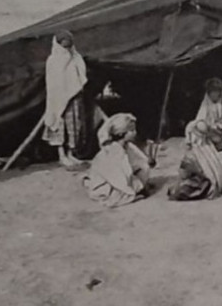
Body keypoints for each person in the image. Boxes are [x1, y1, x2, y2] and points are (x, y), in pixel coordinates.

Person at [84, 113, 153, 207]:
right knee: (119, 193)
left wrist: (147, 161)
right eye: (132, 130)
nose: (135, 132)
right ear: (122, 133)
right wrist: (135, 188)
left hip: (118, 178)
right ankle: (130, 195)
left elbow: (139, 160)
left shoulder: (127, 146)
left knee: (143, 168)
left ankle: (133, 189)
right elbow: (117, 178)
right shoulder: (113, 151)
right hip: (107, 184)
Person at [43, 30, 89, 169]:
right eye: (64, 46)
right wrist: (61, 95)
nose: (66, 49)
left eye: (69, 46)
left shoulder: (75, 57)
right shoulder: (53, 60)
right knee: (59, 125)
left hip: (73, 97)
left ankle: (71, 154)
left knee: (74, 125)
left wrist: (74, 89)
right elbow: (53, 82)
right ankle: (61, 155)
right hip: (58, 100)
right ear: (58, 45)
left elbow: (80, 75)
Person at [168, 120, 222, 201]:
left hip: (200, 183)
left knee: (177, 191)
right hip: (211, 181)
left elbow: (184, 174)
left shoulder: (191, 154)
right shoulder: (209, 150)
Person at [193, 77, 222, 149]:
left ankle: (219, 142)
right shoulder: (205, 104)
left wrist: (219, 126)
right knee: (200, 126)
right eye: (212, 91)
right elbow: (200, 119)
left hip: (221, 131)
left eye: (216, 91)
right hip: (209, 131)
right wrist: (210, 126)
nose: (214, 94)